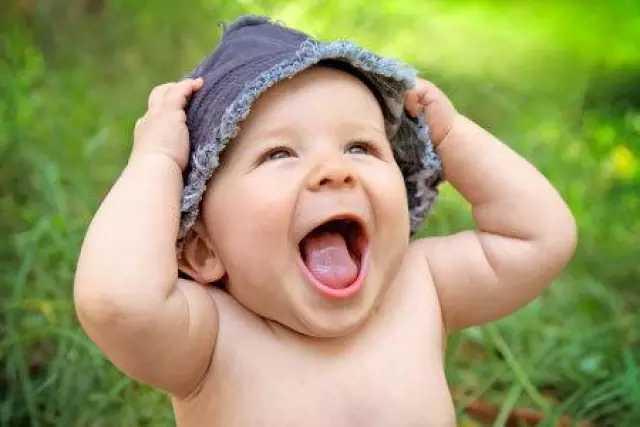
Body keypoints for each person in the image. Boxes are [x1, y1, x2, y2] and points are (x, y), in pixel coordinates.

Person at [73, 15, 577, 426]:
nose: (335, 170)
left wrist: (449, 136)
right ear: (204, 249)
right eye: (279, 154)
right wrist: (157, 158)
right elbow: (117, 302)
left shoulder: (419, 287)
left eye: (360, 147)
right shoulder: (212, 340)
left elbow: (539, 237)